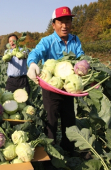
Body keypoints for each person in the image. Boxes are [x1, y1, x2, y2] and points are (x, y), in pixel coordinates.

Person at [27, 6, 84, 155]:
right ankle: (50, 155)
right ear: (54, 24)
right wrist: (32, 63)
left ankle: (69, 151)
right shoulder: (47, 41)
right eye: (61, 22)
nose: (65, 26)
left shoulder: (75, 40)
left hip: (69, 88)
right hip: (51, 89)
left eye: (68, 21)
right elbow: (36, 52)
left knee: (69, 120)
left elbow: (81, 58)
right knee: (51, 122)